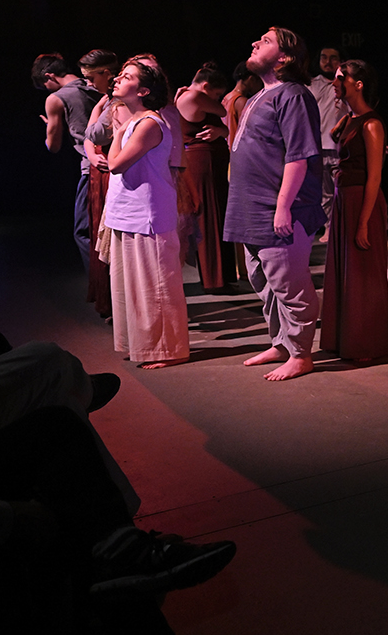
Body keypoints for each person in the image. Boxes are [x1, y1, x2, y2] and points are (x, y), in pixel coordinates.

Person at [222, 27, 324, 381]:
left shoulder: (293, 95)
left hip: (279, 209)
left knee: (289, 283)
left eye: (265, 41)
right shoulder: (257, 97)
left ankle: (301, 352)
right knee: (263, 281)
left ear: (285, 58)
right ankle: (281, 343)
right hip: (252, 208)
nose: (253, 42)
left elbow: (299, 156)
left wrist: (283, 207)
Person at [102, 61, 190, 369]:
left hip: (148, 215)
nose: (116, 79)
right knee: (132, 288)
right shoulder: (137, 121)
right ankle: (144, 345)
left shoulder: (149, 123)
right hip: (128, 212)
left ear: (143, 91)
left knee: (157, 287)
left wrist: (119, 132)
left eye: (126, 77)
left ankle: (169, 349)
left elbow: (115, 164)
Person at [319, 60, 388, 361]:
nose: (334, 83)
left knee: (362, 274)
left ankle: (364, 344)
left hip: (363, 200)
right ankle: (344, 339)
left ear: (357, 83)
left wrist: (363, 222)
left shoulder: (372, 124)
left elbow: (375, 177)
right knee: (345, 273)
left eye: (339, 78)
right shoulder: (348, 119)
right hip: (343, 199)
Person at [32, 53, 102, 271]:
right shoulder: (97, 86)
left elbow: (53, 146)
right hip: (119, 161)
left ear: (49, 76)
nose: (50, 91)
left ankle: (101, 285)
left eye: (47, 86)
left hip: (90, 167)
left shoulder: (57, 98)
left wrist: (50, 129)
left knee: (84, 230)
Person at [175, 62, 236, 289]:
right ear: (206, 86)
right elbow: (222, 111)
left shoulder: (191, 96)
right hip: (202, 164)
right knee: (208, 217)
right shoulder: (192, 96)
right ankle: (214, 279)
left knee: (216, 215)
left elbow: (221, 123)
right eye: (217, 94)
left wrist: (222, 131)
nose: (219, 99)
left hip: (209, 162)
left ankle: (223, 275)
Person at [79, 49, 119, 318]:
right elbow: (90, 140)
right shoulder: (106, 99)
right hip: (99, 167)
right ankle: (107, 298)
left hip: (110, 171)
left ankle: (115, 300)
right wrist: (91, 153)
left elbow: (95, 133)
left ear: (108, 73)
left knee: (109, 237)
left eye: (91, 77)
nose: (88, 84)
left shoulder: (116, 101)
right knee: (98, 233)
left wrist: (93, 147)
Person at [309, 46, 347, 234]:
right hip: (318, 147)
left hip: (339, 147)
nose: (328, 62)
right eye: (324, 57)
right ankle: (329, 229)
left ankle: (343, 227)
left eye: (333, 58)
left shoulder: (345, 85)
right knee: (324, 193)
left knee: (342, 190)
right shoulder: (311, 84)